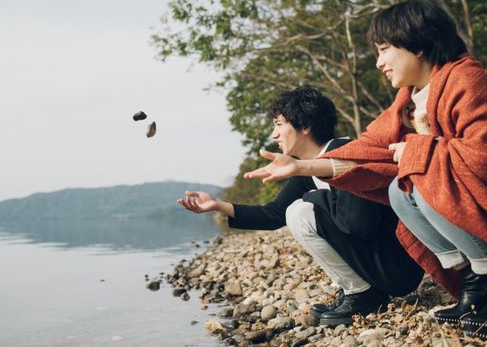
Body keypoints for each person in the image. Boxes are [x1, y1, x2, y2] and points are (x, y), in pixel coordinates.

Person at [245, 0, 487, 340]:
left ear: (419, 44)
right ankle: (476, 284)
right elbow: (369, 148)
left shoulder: (468, 82)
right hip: (475, 205)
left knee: (421, 177)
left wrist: (418, 150)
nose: (379, 62)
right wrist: (300, 166)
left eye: (384, 50)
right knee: (401, 189)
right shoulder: (409, 100)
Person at [178, 87, 423, 326]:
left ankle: (361, 293)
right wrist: (218, 205)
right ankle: (357, 291)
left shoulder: (346, 152)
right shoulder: (308, 170)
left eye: (278, 124)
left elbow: (360, 225)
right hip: (377, 264)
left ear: (305, 126)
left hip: (396, 266)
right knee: (295, 210)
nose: (274, 135)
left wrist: (313, 198)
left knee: (300, 211)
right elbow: (273, 215)